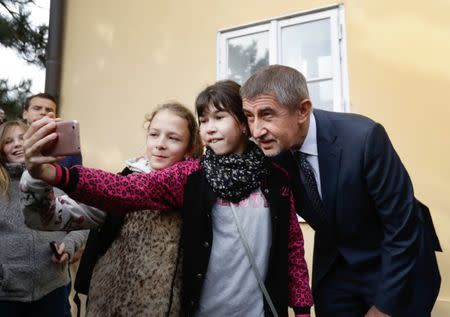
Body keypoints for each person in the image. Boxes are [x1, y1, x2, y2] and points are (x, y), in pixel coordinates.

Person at [21, 80, 314, 317]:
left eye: (220, 117)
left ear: (243, 122)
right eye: (204, 120)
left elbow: (291, 244)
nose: (210, 127)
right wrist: (54, 175)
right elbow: (126, 190)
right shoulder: (191, 175)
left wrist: (302, 309)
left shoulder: (275, 176)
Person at [239, 64, 441, 317]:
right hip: (336, 267)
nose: (256, 131)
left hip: (395, 261)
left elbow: (403, 228)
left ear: (302, 110)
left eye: (267, 115)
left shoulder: (364, 138)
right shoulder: (271, 150)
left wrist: (386, 307)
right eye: (249, 116)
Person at [20, 102, 204, 316]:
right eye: (154, 134)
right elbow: (46, 217)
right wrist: (37, 176)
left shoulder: (198, 194)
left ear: (189, 148)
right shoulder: (116, 184)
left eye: (173, 138)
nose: (160, 144)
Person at [0, 120, 86, 317]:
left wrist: (70, 245)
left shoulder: (53, 179)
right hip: (6, 296)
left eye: (23, 138)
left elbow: (81, 223)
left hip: (53, 289)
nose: (17, 144)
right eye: (8, 141)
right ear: (1, 149)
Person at [23, 92, 82, 167]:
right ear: (25, 114)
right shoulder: (14, 144)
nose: (43, 112)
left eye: (49, 110)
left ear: (54, 116)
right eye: (37, 108)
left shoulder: (69, 149)